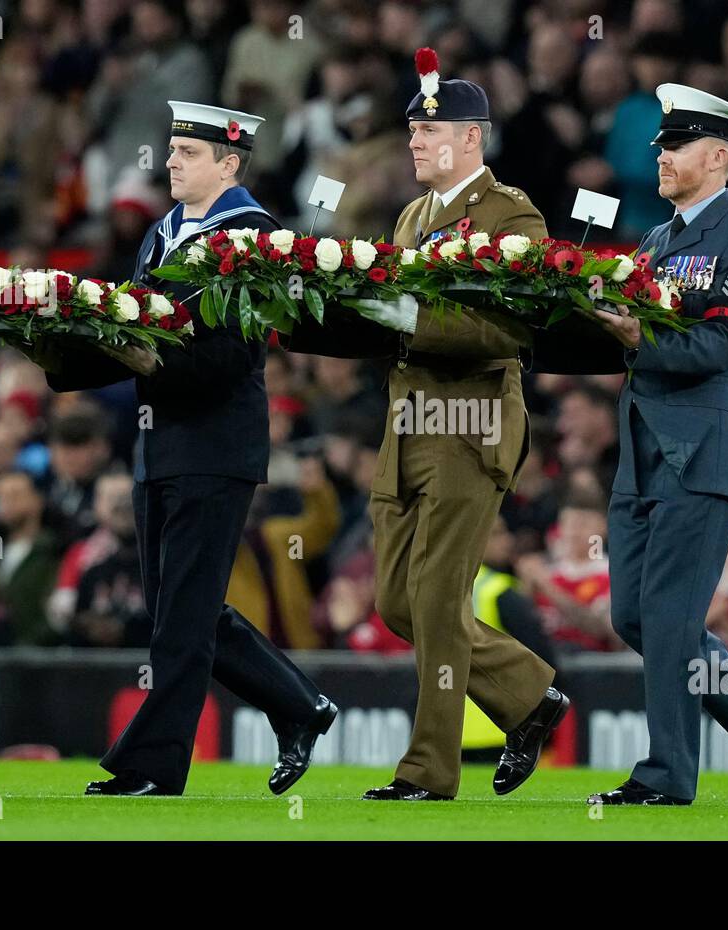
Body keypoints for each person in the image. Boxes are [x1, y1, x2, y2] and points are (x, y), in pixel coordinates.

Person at [27, 101, 334, 798]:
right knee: (180, 614)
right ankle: (298, 704)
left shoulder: (254, 238)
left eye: (186, 153)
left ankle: (154, 766)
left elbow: (229, 358)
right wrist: (54, 348)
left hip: (215, 444)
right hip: (158, 445)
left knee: (181, 621)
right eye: (170, 149)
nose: (168, 161)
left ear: (228, 163)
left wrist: (143, 362)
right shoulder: (165, 232)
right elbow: (134, 333)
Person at [284, 49, 566, 802]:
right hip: (406, 422)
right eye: (410, 130)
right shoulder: (412, 217)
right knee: (397, 603)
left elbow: (511, 329)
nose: (412, 142)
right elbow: (393, 323)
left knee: (440, 601)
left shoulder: (513, 215)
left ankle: (428, 772)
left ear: (470, 139)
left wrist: (407, 315)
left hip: (471, 419)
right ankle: (531, 696)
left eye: (426, 131)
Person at [589, 83, 728, 806]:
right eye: (660, 147)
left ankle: (666, 778)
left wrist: (635, 334)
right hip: (643, 453)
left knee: (673, 621)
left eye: (675, 146)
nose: (661, 158)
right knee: (632, 616)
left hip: (698, 449)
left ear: (718, 155)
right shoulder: (654, 240)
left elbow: (719, 344)